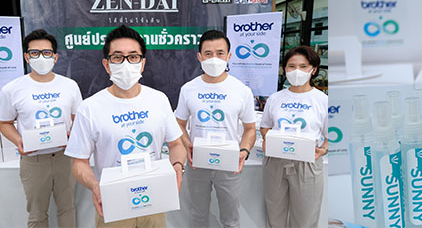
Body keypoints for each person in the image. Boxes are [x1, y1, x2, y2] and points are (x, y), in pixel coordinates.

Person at [66, 25, 186, 228]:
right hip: (113, 203)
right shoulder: (90, 108)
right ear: (106, 64)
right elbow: (79, 163)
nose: (126, 63)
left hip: (154, 199)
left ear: (142, 63)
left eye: (133, 57)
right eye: (117, 57)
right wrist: (95, 186)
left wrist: (177, 166)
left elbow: (176, 145)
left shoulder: (158, 99)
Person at [0, 29, 82, 228]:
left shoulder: (69, 85)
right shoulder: (12, 89)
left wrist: (73, 134)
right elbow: (4, 123)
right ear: (27, 57)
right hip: (33, 160)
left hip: (65, 157)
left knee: (67, 208)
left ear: (55, 57)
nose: (41, 58)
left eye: (46, 53)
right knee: (37, 214)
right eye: (35, 53)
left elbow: (78, 119)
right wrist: (19, 141)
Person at [175, 31, 257, 228]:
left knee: (231, 219)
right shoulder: (188, 89)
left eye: (220, 53)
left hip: (229, 164)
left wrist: (244, 151)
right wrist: (188, 145)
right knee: (198, 215)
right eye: (208, 53)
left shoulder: (241, 90)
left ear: (229, 56)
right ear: (199, 57)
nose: (214, 59)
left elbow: (250, 128)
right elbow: (179, 123)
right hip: (198, 163)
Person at [260, 45, 328, 228]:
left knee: (305, 218)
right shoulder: (275, 98)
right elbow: (265, 127)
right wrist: (268, 140)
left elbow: (330, 136)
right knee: (274, 215)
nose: (297, 71)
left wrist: (323, 150)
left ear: (314, 70)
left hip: (307, 162)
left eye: (303, 66)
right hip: (276, 160)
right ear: (285, 69)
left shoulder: (322, 100)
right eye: (291, 66)